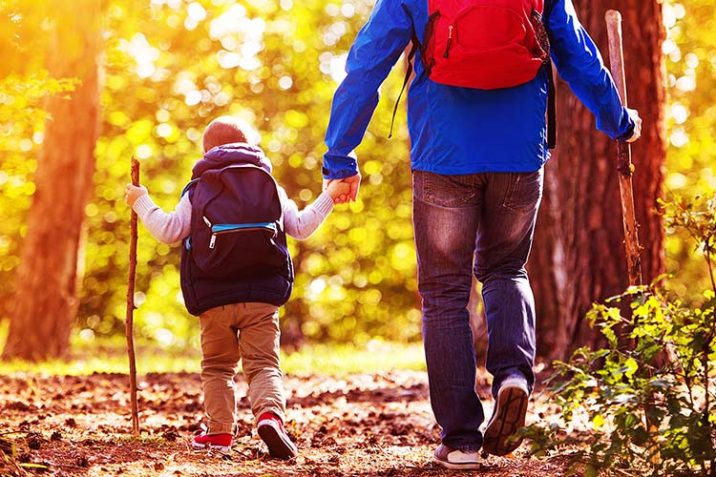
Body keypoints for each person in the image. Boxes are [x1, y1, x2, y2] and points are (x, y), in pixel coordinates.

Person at [321, 0, 643, 469]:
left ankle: (461, 441)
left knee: (445, 294)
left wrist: (340, 156)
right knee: (506, 269)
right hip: (518, 153)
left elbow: (366, 64)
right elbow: (579, 55)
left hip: (443, 155)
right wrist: (619, 121)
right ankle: (513, 375)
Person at [125, 116, 350, 459]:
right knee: (263, 365)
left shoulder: (198, 188)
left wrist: (141, 200)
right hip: (262, 295)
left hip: (212, 296)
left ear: (207, 151)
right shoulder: (270, 185)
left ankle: (218, 433)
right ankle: (270, 415)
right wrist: (329, 196)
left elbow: (169, 231)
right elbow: (302, 227)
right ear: (250, 146)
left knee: (217, 368)